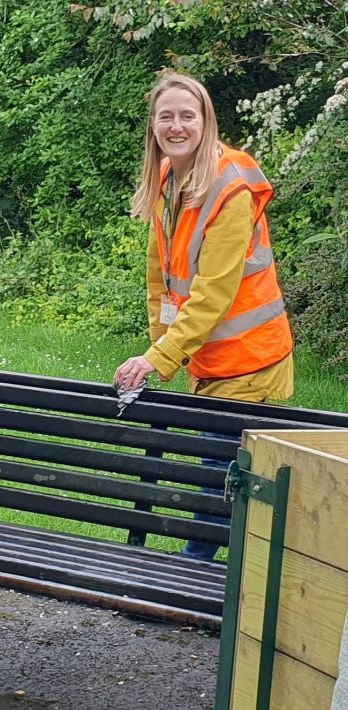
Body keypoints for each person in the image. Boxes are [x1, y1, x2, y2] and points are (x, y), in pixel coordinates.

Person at [113, 72, 294, 561]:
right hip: (211, 359)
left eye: (187, 115)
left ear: (205, 120)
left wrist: (159, 357)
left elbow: (214, 295)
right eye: (166, 116)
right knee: (220, 471)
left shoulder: (229, 189)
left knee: (217, 474)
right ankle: (211, 581)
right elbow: (161, 279)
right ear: (153, 125)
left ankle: (192, 577)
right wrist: (161, 351)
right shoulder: (170, 177)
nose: (176, 126)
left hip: (250, 359)